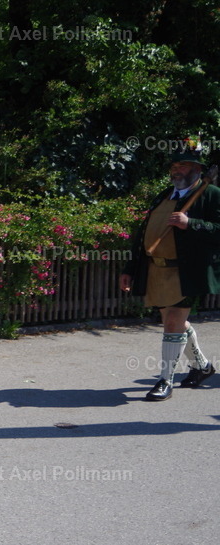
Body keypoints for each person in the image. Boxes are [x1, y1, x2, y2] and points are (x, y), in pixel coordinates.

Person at [120, 141, 220, 401]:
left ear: (197, 169)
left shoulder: (211, 195)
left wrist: (191, 224)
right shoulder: (164, 195)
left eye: (182, 165)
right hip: (157, 270)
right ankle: (203, 366)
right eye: (174, 165)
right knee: (174, 323)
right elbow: (142, 235)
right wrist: (130, 268)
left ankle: (166, 380)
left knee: (173, 322)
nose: (176, 170)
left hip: (187, 271)